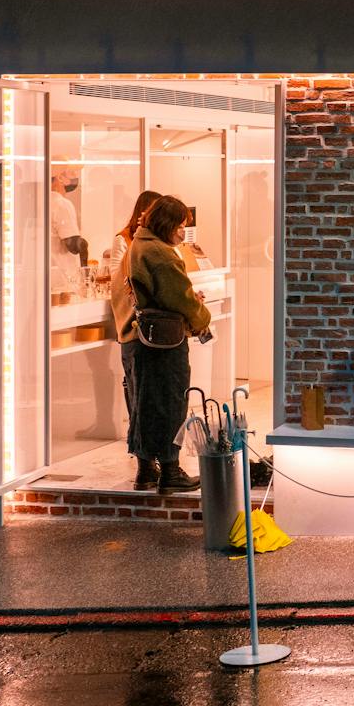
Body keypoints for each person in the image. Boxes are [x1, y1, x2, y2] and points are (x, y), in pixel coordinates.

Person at [124, 196, 212, 495]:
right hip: (165, 342)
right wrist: (201, 315)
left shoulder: (138, 244)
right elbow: (180, 298)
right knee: (170, 402)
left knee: (146, 405)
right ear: (168, 223)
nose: (182, 231)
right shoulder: (161, 253)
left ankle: (146, 470)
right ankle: (171, 472)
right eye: (180, 225)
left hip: (143, 338)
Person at [113, 190, 162, 489]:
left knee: (140, 392)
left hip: (135, 330)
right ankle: (149, 464)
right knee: (143, 394)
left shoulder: (150, 247)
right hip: (140, 331)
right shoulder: (133, 246)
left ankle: (148, 462)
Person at [51, 167, 87, 297]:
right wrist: (83, 246)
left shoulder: (42, 202)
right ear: (60, 177)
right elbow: (73, 245)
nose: (76, 176)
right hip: (65, 280)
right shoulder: (61, 204)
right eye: (72, 172)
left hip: (50, 276)